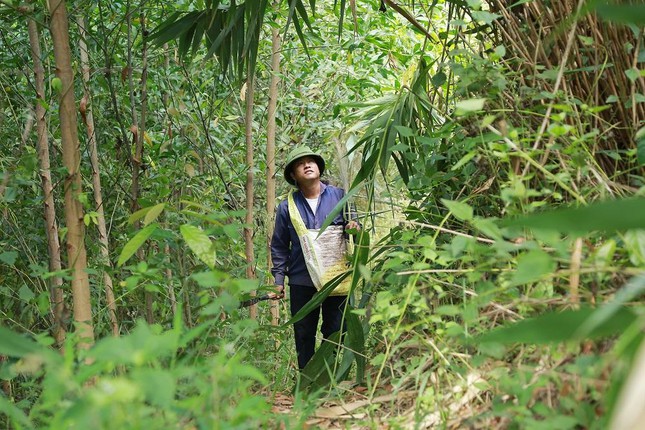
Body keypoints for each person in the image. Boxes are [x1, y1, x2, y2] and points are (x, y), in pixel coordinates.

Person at [269, 145, 360, 370]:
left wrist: (355, 228)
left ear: (319, 167)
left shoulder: (341, 196)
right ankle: (307, 383)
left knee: (338, 329)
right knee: (303, 333)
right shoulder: (285, 208)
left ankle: (330, 376)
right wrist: (278, 281)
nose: (307, 165)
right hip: (302, 281)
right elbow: (280, 247)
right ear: (293, 175)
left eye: (311, 161)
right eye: (301, 163)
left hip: (336, 279)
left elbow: (357, 232)